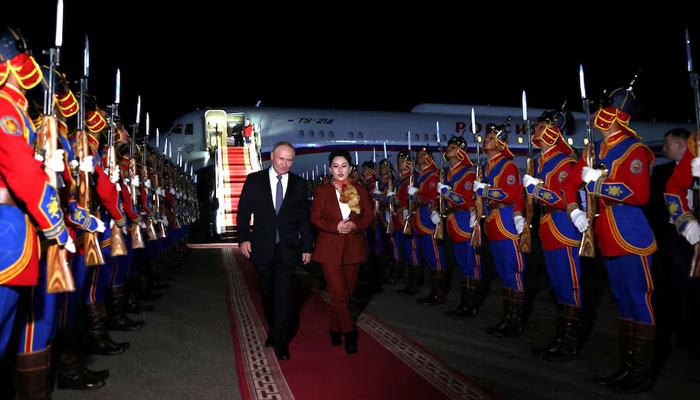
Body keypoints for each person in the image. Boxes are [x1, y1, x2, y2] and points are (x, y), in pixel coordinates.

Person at [564, 86, 656, 394]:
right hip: (606, 235)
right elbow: (572, 182)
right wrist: (575, 209)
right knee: (624, 303)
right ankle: (626, 366)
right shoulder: (596, 150)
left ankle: (641, 373)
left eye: (605, 108)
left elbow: (639, 194)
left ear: (617, 114)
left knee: (639, 300)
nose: (598, 115)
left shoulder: (634, 149)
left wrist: (599, 182)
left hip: (631, 235)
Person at [237, 141, 313, 360]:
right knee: (268, 295)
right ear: (272, 156)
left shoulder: (299, 184)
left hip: (288, 249)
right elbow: (243, 212)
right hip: (262, 247)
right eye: (281, 159)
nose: (285, 164)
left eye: (290, 160)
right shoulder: (254, 180)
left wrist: (306, 247)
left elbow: (304, 220)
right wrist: (243, 238)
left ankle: (282, 341)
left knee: (284, 296)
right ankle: (273, 329)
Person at [522, 110, 582, 362]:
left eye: (541, 126)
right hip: (549, 229)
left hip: (564, 229)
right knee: (558, 288)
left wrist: (537, 190)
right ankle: (560, 339)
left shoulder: (564, 161)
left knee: (569, 288)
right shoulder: (543, 161)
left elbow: (563, 199)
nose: (535, 129)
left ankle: (569, 344)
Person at [311, 150, 374, 354]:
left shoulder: (359, 190)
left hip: (353, 249)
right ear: (330, 169)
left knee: (345, 296)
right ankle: (349, 334)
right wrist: (335, 227)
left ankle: (334, 327)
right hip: (329, 250)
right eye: (336, 166)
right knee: (338, 295)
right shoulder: (322, 191)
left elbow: (368, 217)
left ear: (350, 168)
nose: (340, 170)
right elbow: (316, 218)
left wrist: (355, 227)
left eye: (344, 165)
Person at [474, 123, 527, 337]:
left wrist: (485, 190)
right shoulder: (486, 168)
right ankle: (508, 319)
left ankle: (515, 322)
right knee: (504, 273)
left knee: (513, 271)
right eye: (486, 137)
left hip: (506, 222)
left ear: (499, 143)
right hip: (493, 223)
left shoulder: (507, 166)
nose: (485, 140)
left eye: (489, 137)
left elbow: (510, 194)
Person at [661, 128, 700, 360]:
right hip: (689, 236)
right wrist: (685, 222)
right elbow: (673, 189)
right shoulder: (697, 141)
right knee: (689, 290)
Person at [436, 136, 480, 318]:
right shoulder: (447, 174)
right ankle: (464, 303)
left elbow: (464, 200)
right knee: (462, 265)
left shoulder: (467, 174)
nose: (449, 149)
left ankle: (471, 305)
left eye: (453, 147)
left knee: (471, 265)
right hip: (454, 223)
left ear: (461, 152)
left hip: (464, 222)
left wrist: (446, 192)